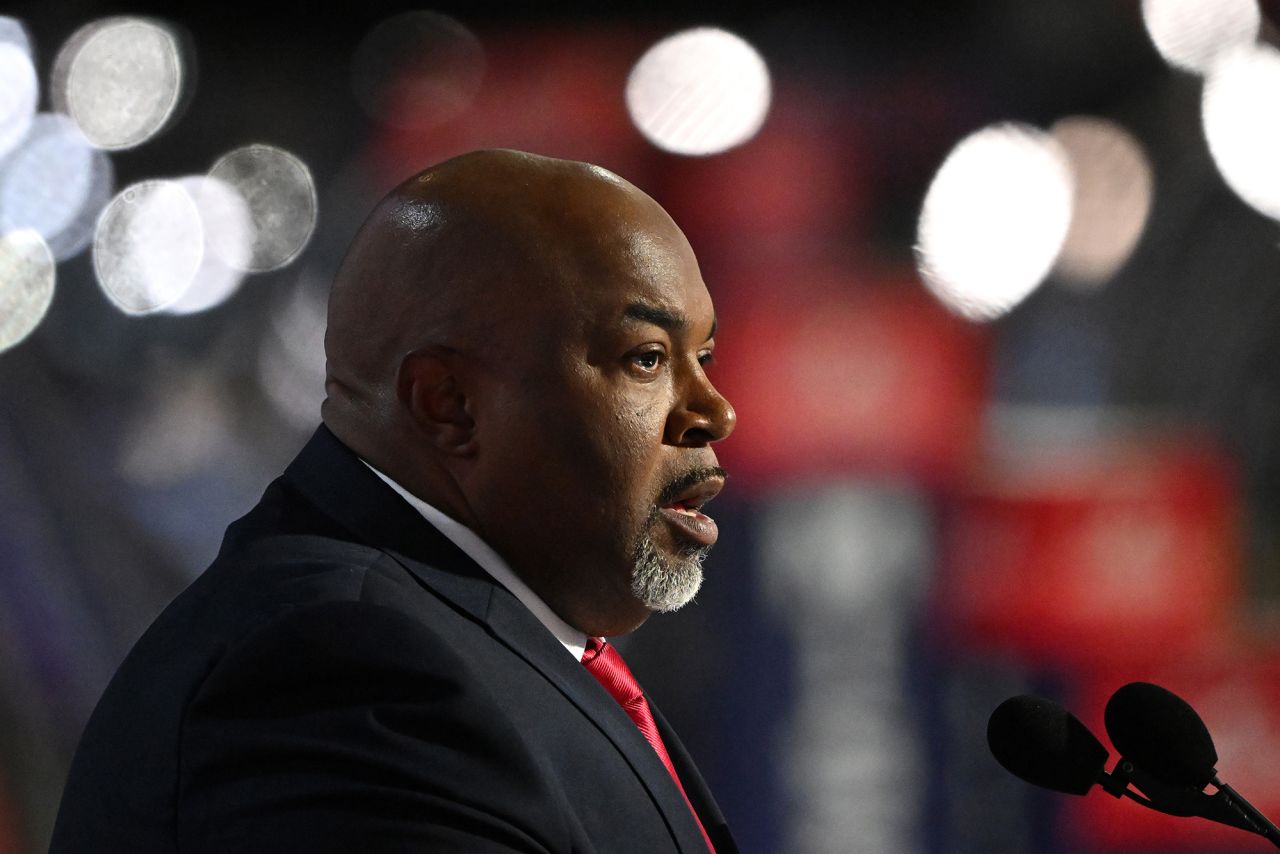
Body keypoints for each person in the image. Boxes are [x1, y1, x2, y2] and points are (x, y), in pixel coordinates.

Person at [50, 149, 738, 853]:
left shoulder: (468, 640)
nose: (715, 413)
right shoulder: (343, 667)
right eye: (647, 358)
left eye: (703, 359)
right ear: (450, 407)